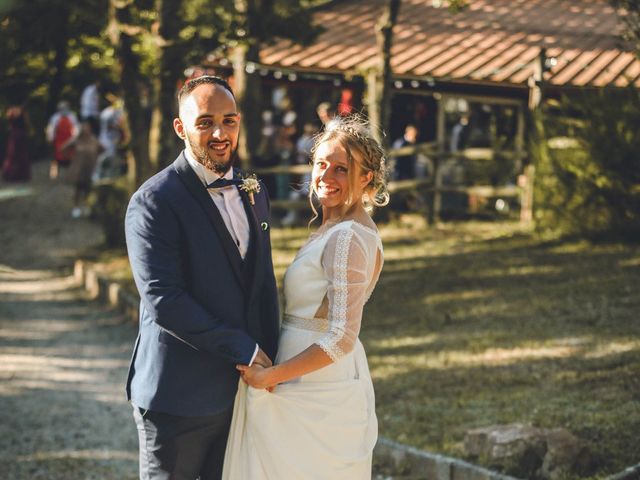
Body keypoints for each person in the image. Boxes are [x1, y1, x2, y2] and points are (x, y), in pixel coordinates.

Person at [124, 75, 280, 480]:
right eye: (206, 121)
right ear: (181, 127)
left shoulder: (254, 188)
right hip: (178, 397)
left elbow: (260, 282)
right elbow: (164, 300)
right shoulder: (153, 201)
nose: (220, 133)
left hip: (240, 396)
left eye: (229, 121)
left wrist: (274, 362)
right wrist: (244, 349)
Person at [223, 114, 389, 479]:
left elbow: (343, 336)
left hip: (315, 388)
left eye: (342, 169)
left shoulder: (349, 236)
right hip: (299, 373)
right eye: (321, 164)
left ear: (367, 177)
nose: (326, 177)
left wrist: (273, 377)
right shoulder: (332, 228)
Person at [65, 121, 101, 218]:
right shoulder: (77, 140)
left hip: (90, 168)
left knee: (88, 189)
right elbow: (64, 147)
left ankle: (87, 206)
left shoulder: (93, 140)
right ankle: (76, 207)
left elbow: (102, 148)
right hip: (79, 168)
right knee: (78, 188)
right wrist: (70, 158)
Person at [94, 94, 128, 181]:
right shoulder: (109, 113)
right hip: (107, 138)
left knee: (111, 158)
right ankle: (98, 175)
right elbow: (110, 125)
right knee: (104, 157)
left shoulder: (114, 112)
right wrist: (120, 128)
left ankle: (108, 176)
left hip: (111, 138)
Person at [46, 101, 79, 179]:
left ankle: (71, 174)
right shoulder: (55, 117)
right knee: (55, 159)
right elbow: (51, 129)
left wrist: (75, 138)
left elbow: (76, 128)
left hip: (69, 140)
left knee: (71, 158)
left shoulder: (72, 116)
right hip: (58, 141)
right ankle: (53, 174)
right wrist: (50, 138)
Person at [2, 106, 31, 182]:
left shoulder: (15, 113)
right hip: (16, 135)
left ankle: (16, 175)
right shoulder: (18, 113)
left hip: (17, 135)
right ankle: (16, 175)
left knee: (17, 155)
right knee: (15, 155)